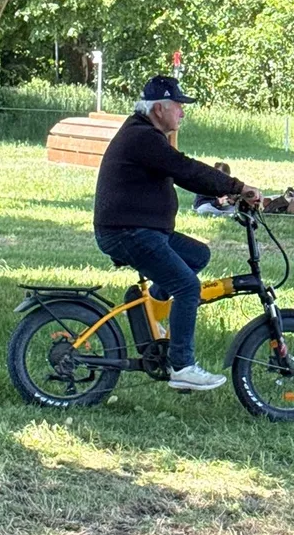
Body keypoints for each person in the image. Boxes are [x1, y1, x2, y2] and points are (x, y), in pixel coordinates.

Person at [93, 76, 262, 392]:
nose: (183, 113)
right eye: (178, 106)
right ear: (159, 108)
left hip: (144, 230)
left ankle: (151, 307)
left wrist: (232, 192)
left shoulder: (146, 134)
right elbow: (185, 169)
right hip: (128, 232)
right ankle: (182, 366)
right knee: (187, 287)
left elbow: (185, 173)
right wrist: (237, 187)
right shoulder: (143, 138)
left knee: (198, 255)